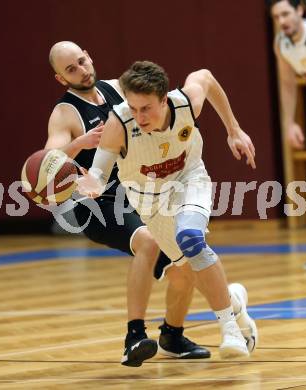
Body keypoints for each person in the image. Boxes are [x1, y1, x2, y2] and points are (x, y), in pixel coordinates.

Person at [46, 41, 213, 367]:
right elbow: (48, 159)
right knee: (148, 243)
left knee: (186, 261)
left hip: (137, 194)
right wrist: (82, 142)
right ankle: (134, 335)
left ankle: (173, 335)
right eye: (71, 69)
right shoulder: (64, 113)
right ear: (60, 79)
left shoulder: (118, 90)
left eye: (82, 61)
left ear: (89, 56)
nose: (82, 70)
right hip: (95, 203)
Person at [76, 60, 258, 358]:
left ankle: (230, 329)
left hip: (189, 179)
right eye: (132, 108)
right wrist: (91, 184)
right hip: (149, 201)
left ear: (164, 98)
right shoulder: (119, 123)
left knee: (192, 240)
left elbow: (206, 76)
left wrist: (234, 129)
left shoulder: (185, 103)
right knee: (188, 268)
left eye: (145, 108)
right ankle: (235, 302)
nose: (138, 116)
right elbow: (98, 172)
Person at [270, 0, 306, 270]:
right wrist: (290, 122)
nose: (282, 20)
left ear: (300, 11)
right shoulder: (283, 45)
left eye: (286, 14)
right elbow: (288, 84)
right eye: (277, 16)